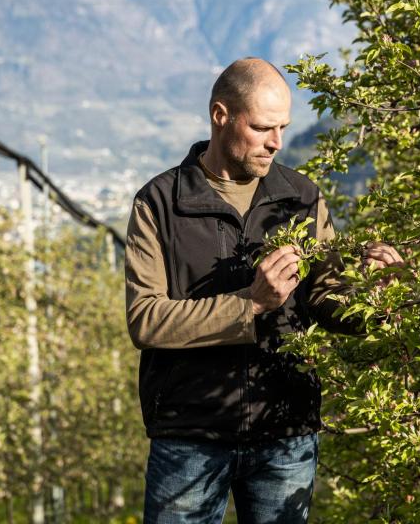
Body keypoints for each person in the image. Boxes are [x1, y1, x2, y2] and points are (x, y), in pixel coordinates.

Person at [124, 57, 403, 523]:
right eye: (262, 128)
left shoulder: (302, 196)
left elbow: (326, 300)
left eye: (283, 127)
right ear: (220, 115)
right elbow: (146, 320)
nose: (276, 142)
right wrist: (250, 304)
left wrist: (379, 293)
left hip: (285, 432)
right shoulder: (159, 203)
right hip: (189, 436)